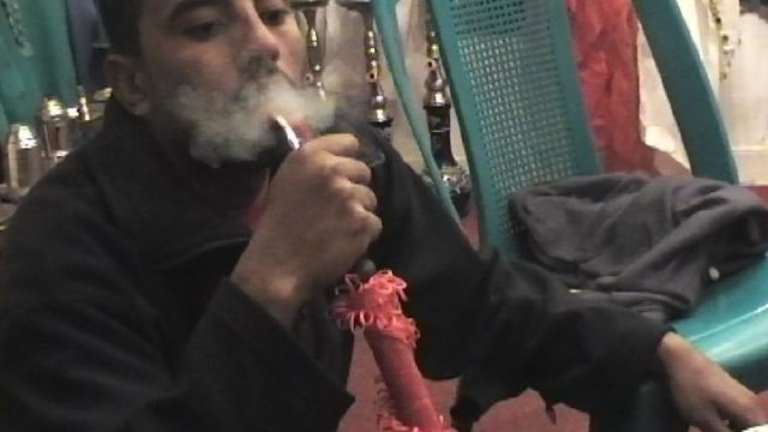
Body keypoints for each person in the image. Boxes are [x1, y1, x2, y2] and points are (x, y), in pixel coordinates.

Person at [0, 1, 764, 431]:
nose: (263, 46)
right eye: (206, 26)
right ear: (132, 83)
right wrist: (272, 281)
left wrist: (648, 348)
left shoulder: (332, 156)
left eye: (276, 11)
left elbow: (474, 305)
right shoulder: (57, 256)